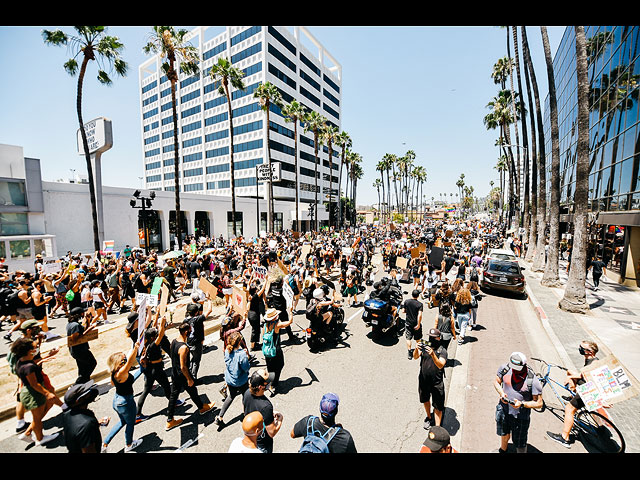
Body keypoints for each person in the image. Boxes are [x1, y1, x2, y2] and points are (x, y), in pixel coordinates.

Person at [546, 341, 601, 448]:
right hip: (586, 385)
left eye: (582, 348)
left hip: (587, 390)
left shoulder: (594, 363)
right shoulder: (591, 359)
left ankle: (564, 437)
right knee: (570, 372)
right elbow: (583, 374)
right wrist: (571, 376)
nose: (580, 349)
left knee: (569, 409)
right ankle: (572, 396)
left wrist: (571, 378)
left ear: (590, 352)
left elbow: (586, 375)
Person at [166, 320, 216, 431]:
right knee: (190, 390)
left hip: (174, 374)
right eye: (189, 331)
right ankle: (201, 408)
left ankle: (170, 420)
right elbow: (183, 366)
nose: (191, 332)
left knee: (177, 395)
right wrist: (189, 378)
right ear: (185, 332)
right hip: (182, 375)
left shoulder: (174, 341)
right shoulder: (183, 348)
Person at [12, 337, 62, 446]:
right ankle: (40, 438)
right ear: (29, 351)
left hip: (29, 392)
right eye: (34, 348)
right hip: (33, 394)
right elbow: (35, 384)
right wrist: (47, 393)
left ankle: (28, 433)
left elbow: (32, 364)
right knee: (37, 418)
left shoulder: (21, 362)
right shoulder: (29, 367)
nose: (36, 349)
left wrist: (45, 357)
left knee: (39, 415)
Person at [494, 352, 543, 453]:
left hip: (520, 417)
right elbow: (496, 382)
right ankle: (503, 450)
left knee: (520, 443)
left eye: (517, 368)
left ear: (524, 365)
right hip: (504, 410)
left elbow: (539, 403)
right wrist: (501, 393)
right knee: (504, 434)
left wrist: (522, 404)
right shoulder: (505, 368)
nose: (515, 370)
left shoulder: (532, 380)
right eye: (513, 367)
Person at [102, 342, 143, 453]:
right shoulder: (121, 373)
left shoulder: (115, 374)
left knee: (122, 422)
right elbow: (130, 361)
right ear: (118, 364)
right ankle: (129, 445)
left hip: (117, 401)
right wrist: (135, 349)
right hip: (126, 402)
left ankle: (105, 443)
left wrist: (141, 369)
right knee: (130, 423)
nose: (125, 362)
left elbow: (130, 380)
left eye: (124, 360)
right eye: (123, 361)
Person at [290, 392, 357, 453]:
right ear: (336, 411)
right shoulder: (344, 437)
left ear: (320, 409)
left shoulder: (308, 422)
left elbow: (292, 434)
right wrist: (339, 430)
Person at [215, 331, 251, 429]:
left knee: (231, 396)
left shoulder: (227, 351)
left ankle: (220, 416)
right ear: (239, 342)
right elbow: (246, 368)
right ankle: (246, 414)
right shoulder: (241, 354)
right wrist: (247, 357)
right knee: (245, 395)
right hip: (241, 380)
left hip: (230, 379)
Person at [242, 369, 284, 453]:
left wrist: (268, 415)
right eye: (267, 382)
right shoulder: (266, 406)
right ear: (261, 387)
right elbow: (272, 432)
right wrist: (280, 419)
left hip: (251, 437)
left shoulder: (246, 393)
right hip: (262, 443)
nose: (269, 383)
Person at [413, 328, 448, 429]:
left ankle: (437, 428)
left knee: (438, 406)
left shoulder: (442, 350)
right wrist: (416, 349)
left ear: (438, 338)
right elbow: (415, 357)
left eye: (433, 338)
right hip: (424, 380)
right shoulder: (425, 345)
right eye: (430, 337)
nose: (431, 339)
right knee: (425, 399)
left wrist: (433, 354)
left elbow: (441, 365)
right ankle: (428, 417)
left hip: (436, 382)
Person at [62, 380, 105, 453]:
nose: (91, 392)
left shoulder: (67, 414)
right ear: (80, 400)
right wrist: (90, 426)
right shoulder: (87, 424)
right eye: (87, 392)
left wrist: (96, 424)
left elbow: (75, 431)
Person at [261, 307, 293, 394]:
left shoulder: (264, 326)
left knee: (270, 368)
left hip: (267, 351)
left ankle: (269, 382)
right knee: (280, 365)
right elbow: (290, 322)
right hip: (276, 350)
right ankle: (273, 385)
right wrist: (290, 312)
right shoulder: (277, 325)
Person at [66, 306, 98, 385]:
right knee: (92, 363)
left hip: (76, 350)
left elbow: (82, 330)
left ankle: (84, 383)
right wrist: (90, 329)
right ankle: (78, 383)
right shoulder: (75, 326)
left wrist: (87, 320)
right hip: (80, 350)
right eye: (82, 313)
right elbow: (75, 339)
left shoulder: (71, 324)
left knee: (82, 367)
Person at [402, 289, 423, 360]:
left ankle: (409, 352)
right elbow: (419, 315)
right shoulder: (419, 304)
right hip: (416, 324)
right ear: (418, 296)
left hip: (408, 323)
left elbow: (403, 311)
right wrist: (419, 324)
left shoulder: (406, 301)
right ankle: (419, 351)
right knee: (418, 339)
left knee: (408, 338)